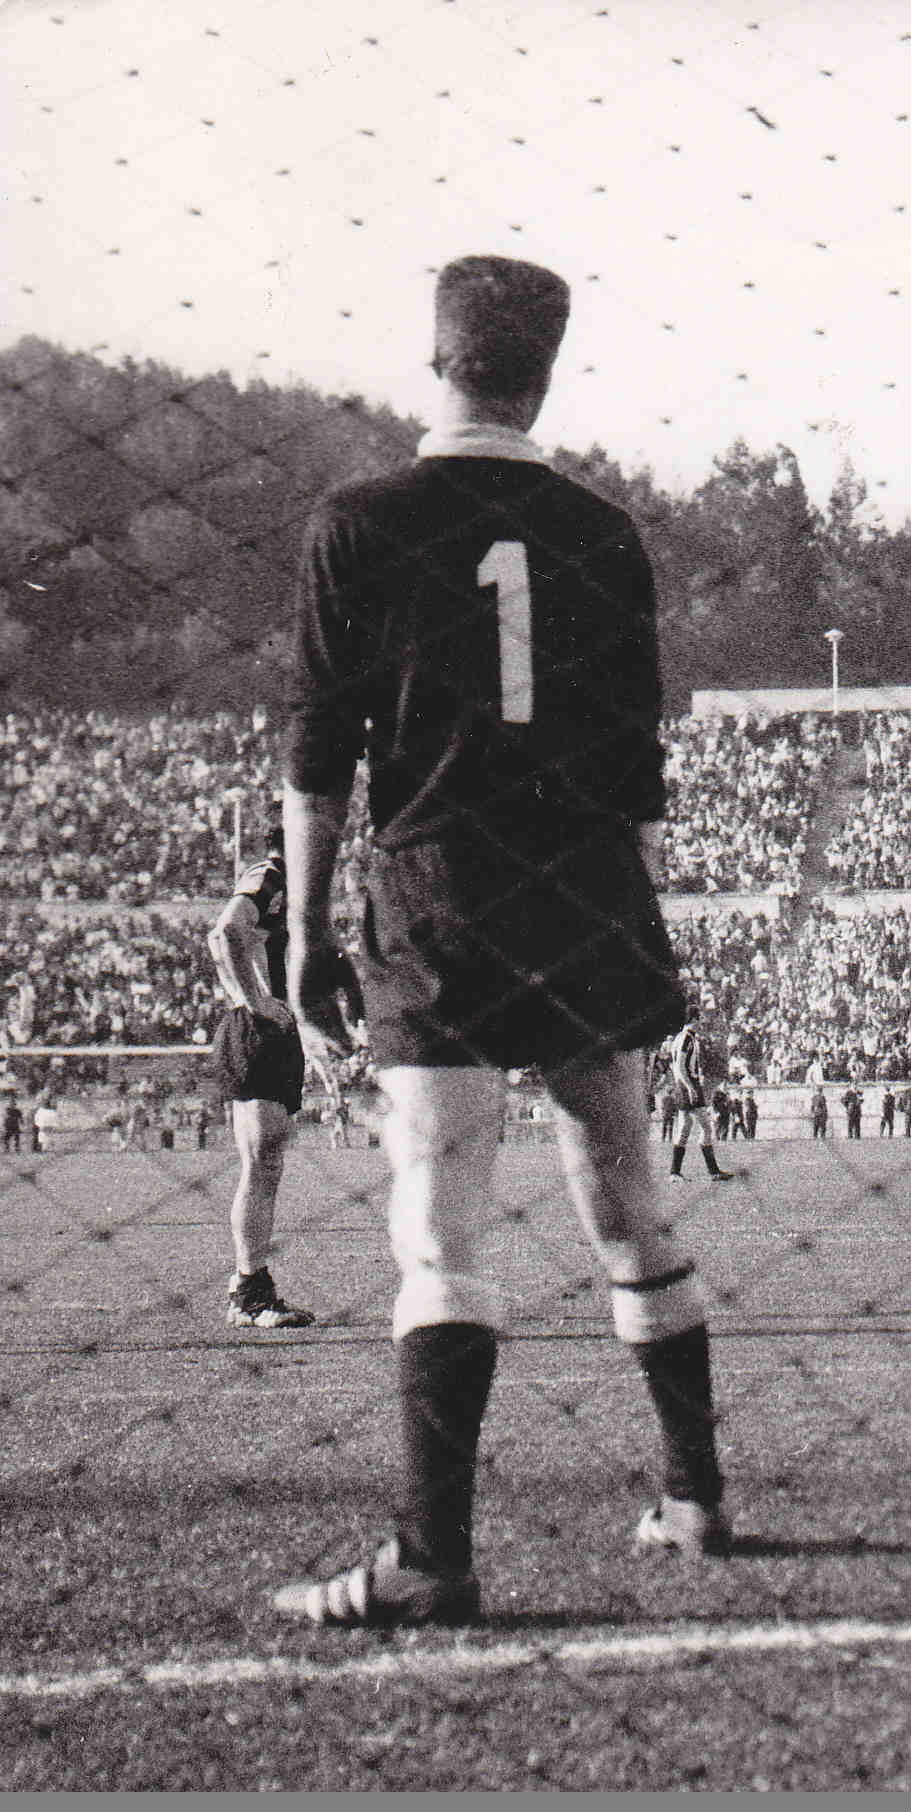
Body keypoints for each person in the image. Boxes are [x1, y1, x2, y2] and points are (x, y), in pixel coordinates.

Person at [270, 255, 732, 1629]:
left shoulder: (357, 523)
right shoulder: (603, 533)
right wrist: (633, 924)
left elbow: (316, 756)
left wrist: (303, 930)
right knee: (631, 1205)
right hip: (585, 887)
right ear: (548, 370)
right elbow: (638, 768)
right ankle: (697, 1495)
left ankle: (431, 1557)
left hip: (441, 890)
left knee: (441, 1234)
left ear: (436, 357)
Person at [207, 840, 332, 1329]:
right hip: (258, 1032)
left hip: (280, 1035)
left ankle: (250, 1286)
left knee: (268, 1165)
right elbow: (224, 933)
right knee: (260, 1163)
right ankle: (249, 1290)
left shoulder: (293, 886)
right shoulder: (270, 874)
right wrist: (253, 999)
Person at [658, 1014, 737, 1183]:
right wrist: (689, 1086)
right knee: (706, 1128)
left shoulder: (681, 1037)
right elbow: (679, 1065)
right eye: (699, 1019)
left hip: (683, 1085)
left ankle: (674, 1173)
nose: (701, 1023)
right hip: (688, 1085)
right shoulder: (687, 1039)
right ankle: (713, 1171)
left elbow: (675, 1066)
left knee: (685, 1127)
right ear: (693, 1020)